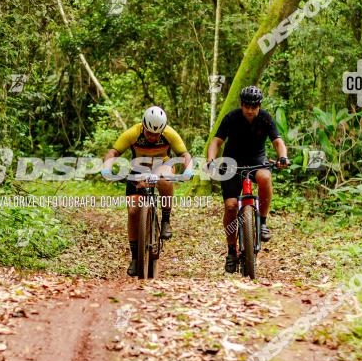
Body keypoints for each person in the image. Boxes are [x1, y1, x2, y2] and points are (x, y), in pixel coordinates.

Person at [206, 86, 289, 273]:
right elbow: (216, 141)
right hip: (232, 164)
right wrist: (211, 160)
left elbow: (277, 141)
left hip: (256, 161)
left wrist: (282, 157)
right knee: (230, 206)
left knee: (265, 177)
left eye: (254, 107)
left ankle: (263, 223)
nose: (250, 110)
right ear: (241, 105)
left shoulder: (265, 118)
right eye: (247, 106)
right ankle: (231, 251)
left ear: (259, 106)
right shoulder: (231, 118)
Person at [102, 106, 192, 276]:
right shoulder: (132, 133)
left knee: (165, 180)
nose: (152, 137)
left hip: (162, 166)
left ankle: (166, 220)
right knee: (133, 210)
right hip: (138, 169)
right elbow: (113, 152)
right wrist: (107, 167)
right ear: (143, 126)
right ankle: (135, 258)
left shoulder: (170, 134)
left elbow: (185, 154)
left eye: (156, 134)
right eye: (149, 133)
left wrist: (188, 170)